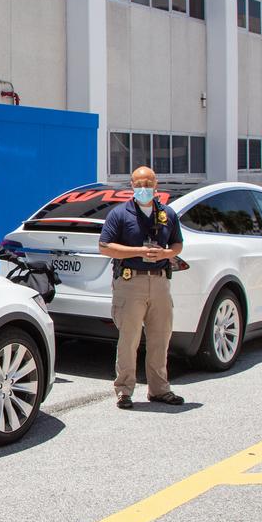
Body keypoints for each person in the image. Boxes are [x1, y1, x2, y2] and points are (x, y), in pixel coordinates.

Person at [97, 165, 184, 410]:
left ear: (156, 185)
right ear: (131, 186)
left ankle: (159, 389)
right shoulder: (120, 214)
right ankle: (124, 390)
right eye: (139, 184)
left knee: (160, 337)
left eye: (148, 184)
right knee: (129, 339)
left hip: (159, 282)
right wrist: (140, 251)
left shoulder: (167, 214)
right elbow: (105, 247)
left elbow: (178, 244)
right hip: (130, 282)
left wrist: (166, 253)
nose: (144, 188)